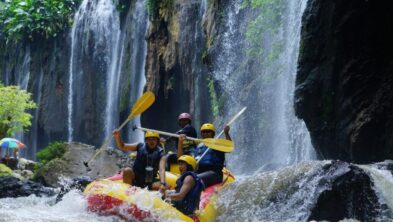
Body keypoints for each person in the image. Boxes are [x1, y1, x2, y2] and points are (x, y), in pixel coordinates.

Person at [178, 123, 231, 187]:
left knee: (191, 179)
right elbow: (180, 158)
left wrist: (226, 133)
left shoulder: (217, 145)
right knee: (182, 179)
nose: (205, 133)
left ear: (213, 134)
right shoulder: (198, 146)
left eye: (208, 132)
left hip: (214, 174)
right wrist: (180, 142)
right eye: (204, 132)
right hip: (199, 173)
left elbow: (229, 148)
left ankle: (183, 193)